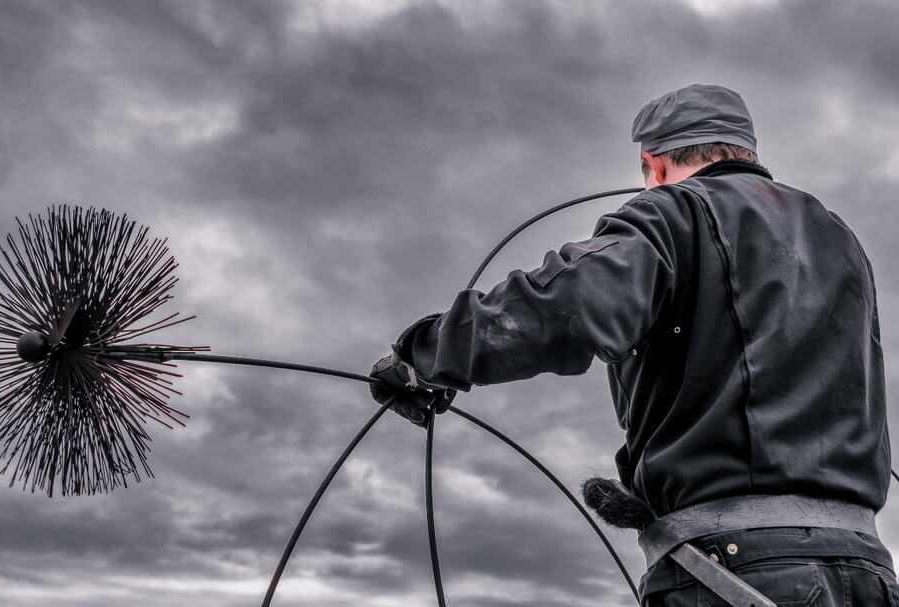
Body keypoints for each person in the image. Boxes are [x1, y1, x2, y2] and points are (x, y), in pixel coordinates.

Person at [370, 83, 897, 605]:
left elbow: (563, 307)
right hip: (868, 571)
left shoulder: (673, 213)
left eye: (646, 175)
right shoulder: (840, 238)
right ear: (747, 151)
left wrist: (422, 356)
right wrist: (650, 500)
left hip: (734, 571)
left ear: (655, 164)